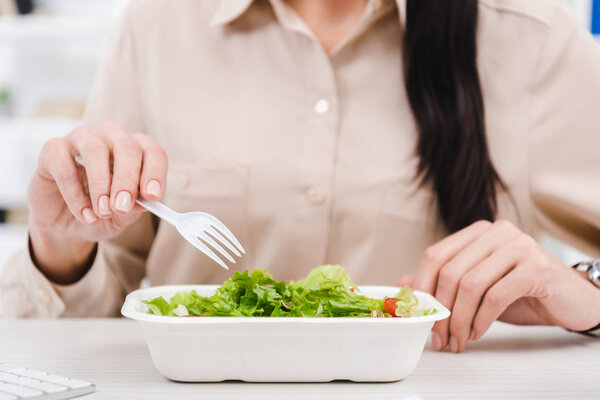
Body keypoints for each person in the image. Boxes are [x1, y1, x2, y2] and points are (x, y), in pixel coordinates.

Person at [1, 0, 599, 353]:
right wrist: (62, 246)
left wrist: (582, 292)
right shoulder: (162, 23)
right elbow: (94, 316)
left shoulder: (527, 39)